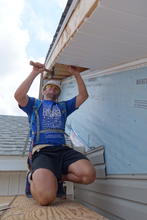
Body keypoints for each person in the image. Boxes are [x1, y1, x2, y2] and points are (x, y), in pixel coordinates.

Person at [14, 62, 96, 206]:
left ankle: (59, 176)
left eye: (56, 88)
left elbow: (83, 96)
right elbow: (19, 95)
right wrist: (34, 73)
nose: (53, 89)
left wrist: (76, 73)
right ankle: (32, 176)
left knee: (88, 175)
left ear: (58, 93)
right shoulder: (35, 105)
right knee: (46, 199)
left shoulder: (63, 107)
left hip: (63, 151)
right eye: (49, 87)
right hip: (43, 151)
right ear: (44, 91)